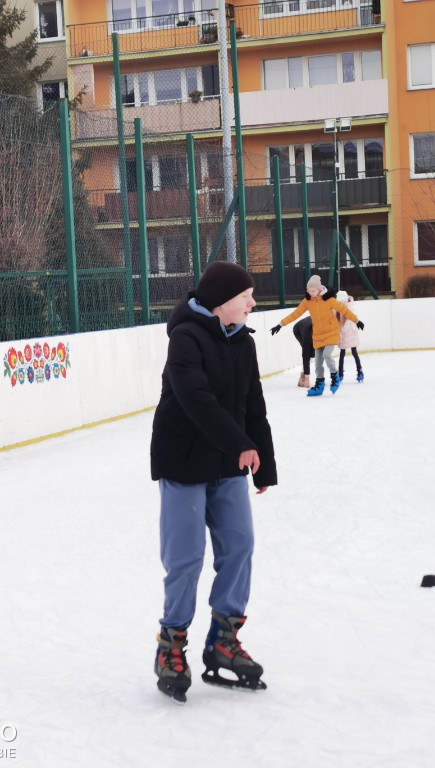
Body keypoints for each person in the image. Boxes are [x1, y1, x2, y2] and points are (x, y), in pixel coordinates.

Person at [150, 261, 276, 703]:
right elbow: (195, 400)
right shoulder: (185, 338)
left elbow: (253, 402)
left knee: (239, 545)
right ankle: (171, 646)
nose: (252, 302)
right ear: (223, 300)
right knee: (185, 558)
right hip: (183, 461)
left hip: (226, 462)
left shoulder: (242, 341)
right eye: (247, 295)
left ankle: (224, 639)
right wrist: (240, 443)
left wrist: (264, 463)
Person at [270, 274, 364, 396]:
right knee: (318, 362)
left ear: (319, 289)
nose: (310, 292)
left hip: (331, 332)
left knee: (326, 354)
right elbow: (296, 313)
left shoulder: (329, 299)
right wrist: (280, 324)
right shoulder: (308, 302)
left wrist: (357, 321)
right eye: (308, 290)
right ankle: (319, 385)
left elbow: (344, 310)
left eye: (312, 290)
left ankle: (335, 377)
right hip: (318, 334)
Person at [335, 290, 364, 383]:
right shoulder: (337, 308)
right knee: (342, 354)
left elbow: (349, 319)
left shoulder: (350, 307)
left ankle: (360, 372)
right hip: (342, 333)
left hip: (350, 333)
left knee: (354, 352)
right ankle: (340, 374)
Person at [293, 316, 314, 389]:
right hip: (298, 330)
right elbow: (305, 355)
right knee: (308, 352)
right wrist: (307, 376)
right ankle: (303, 377)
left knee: (313, 352)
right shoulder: (306, 334)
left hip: (310, 326)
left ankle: (304, 374)